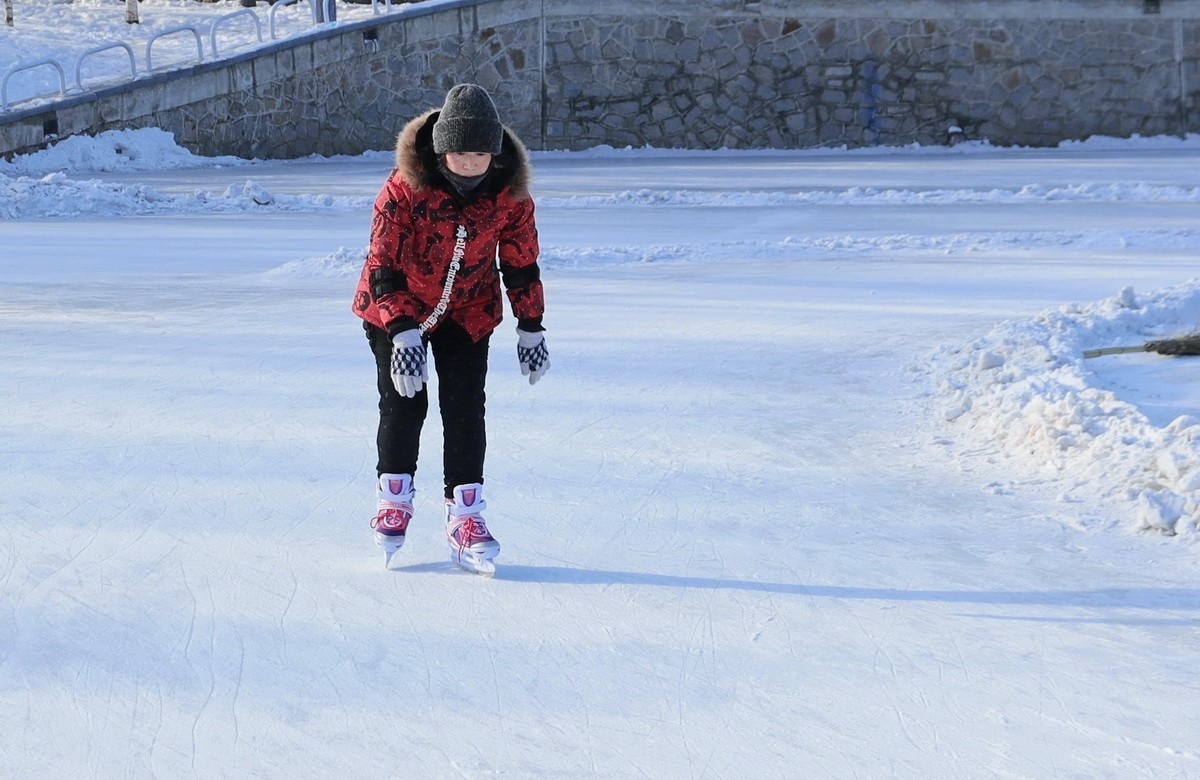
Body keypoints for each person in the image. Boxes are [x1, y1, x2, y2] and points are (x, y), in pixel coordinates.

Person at [351, 83, 549, 574]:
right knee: (404, 401)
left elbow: (521, 263)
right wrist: (402, 331)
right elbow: (382, 265)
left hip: (469, 309)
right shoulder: (404, 186)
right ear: (442, 149)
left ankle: (466, 515)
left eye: (480, 152)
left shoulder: (511, 195)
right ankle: (393, 498)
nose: (469, 163)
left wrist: (532, 326)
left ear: (494, 152)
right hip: (395, 308)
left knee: (464, 408)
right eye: (460, 152)